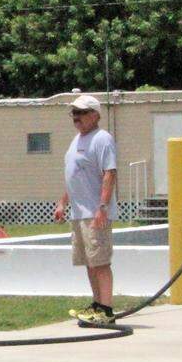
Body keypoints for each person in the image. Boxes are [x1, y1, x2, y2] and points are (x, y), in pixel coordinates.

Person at [52, 94, 118, 326]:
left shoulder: (102, 139)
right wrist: (63, 203)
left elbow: (109, 173)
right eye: (74, 113)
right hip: (79, 213)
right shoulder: (76, 141)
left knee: (100, 262)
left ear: (95, 114)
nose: (76, 117)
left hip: (94, 212)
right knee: (89, 263)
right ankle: (97, 304)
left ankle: (107, 309)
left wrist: (103, 207)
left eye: (80, 112)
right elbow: (74, 176)